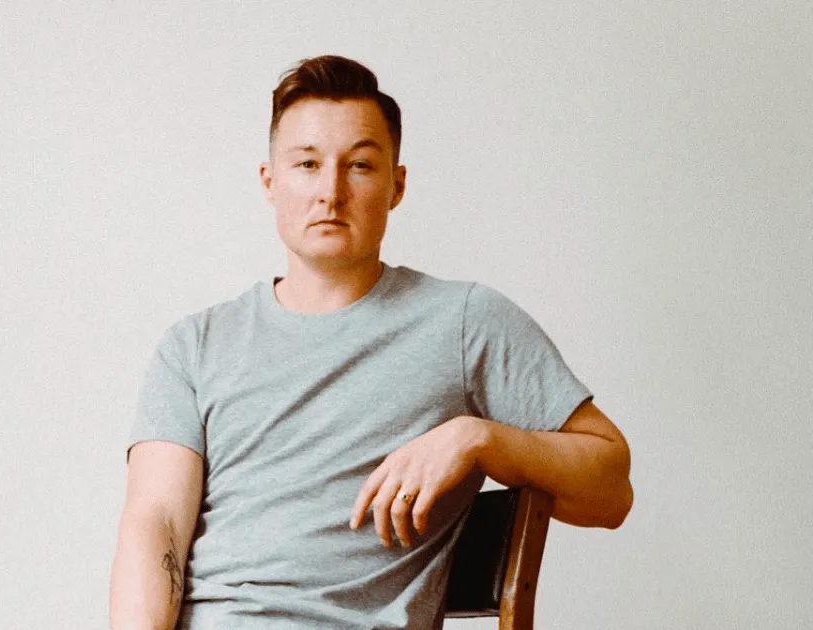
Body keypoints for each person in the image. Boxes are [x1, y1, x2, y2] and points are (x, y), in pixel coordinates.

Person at [110, 55, 633, 630]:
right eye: (307, 164)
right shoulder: (194, 345)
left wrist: (479, 438)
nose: (330, 192)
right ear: (270, 182)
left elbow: (610, 489)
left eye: (359, 166)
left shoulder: (465, 322)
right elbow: (156, 522)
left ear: (396, 185)